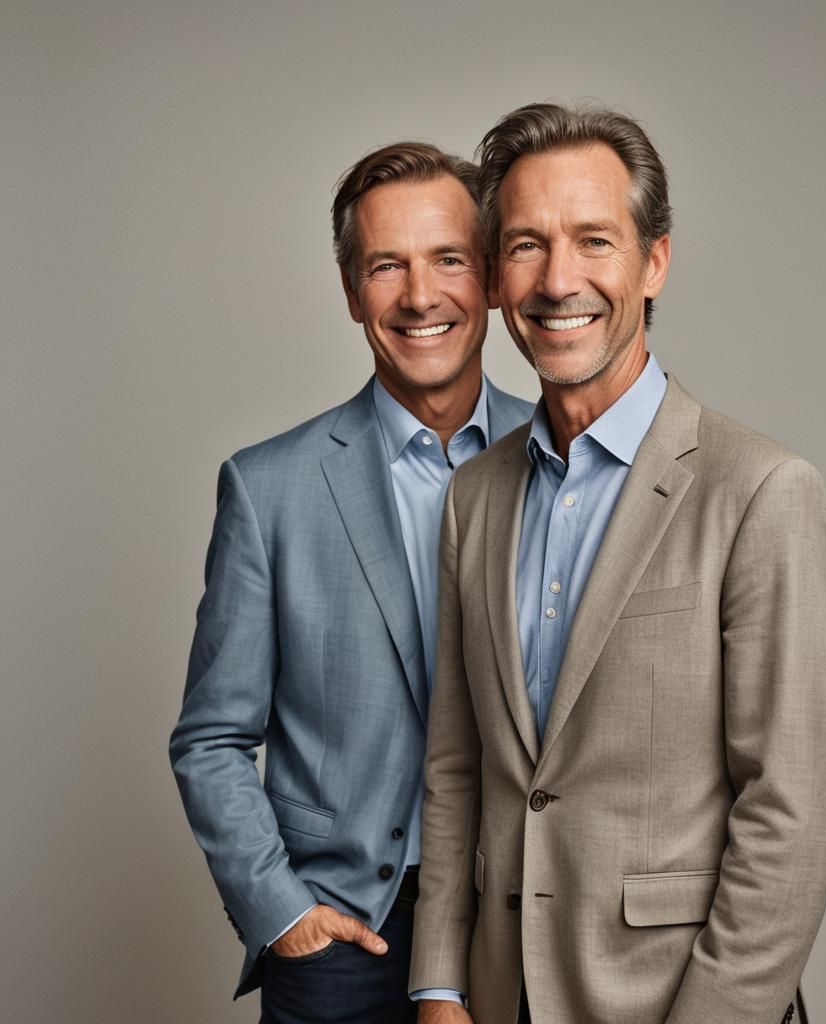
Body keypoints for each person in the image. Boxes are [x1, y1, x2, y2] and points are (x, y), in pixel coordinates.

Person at [410, 103, 826, 1024]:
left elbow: (792, 817)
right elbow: (457, 768)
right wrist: (440, 984)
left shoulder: (761, 491)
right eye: (526, 245)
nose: (558, 279)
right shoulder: (474, 497)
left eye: (593, 240)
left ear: (653, 262)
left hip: (669, 1002)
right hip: (495, 999)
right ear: (495, 278)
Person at [169, 141, 533, 1024]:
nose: (419, 295)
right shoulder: (268, 489)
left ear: (487, 278)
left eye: (448, 258)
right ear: (349, 291)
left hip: (521, 925)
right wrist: (282, 913)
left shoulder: (561, 463)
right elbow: (210, 738)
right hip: (346, 938)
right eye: (385, 266)